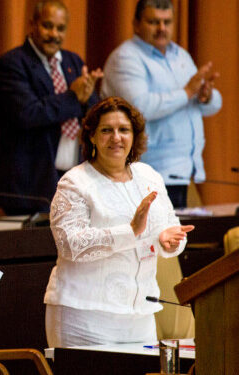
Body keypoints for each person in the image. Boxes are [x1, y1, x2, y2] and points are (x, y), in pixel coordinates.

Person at [43, 96, 194, 347]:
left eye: (124, 130)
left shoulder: (149, 176)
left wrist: (170, 242)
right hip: (85, 317)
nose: (116, 138)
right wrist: (131, 231)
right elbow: (70, 245)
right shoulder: (75, 183)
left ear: (134, 136)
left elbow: (170, 227)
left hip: (141, 317)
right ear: (91, 136)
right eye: (106, 130)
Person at [101, 0, 222, 209]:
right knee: (151, 239)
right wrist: (187, 92)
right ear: (136, 24)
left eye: (167, 22)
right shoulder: (126, 57)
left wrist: (205, 96)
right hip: (145, 172)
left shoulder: (180, 56)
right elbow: (139, 106)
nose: (162, 28)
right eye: (154, 22)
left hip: (182, 171)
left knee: (179, 238)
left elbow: (213, 106)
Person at [0, 0, 102, 215]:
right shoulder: (11, 64)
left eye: (60, 28)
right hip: (29, 187)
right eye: (47, 26)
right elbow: (27, 114)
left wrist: (88, 99)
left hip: (74, 181)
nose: (54, 34)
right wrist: (73, 96)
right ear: (32, 25)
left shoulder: (74, 62)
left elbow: (93, 112)